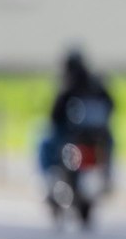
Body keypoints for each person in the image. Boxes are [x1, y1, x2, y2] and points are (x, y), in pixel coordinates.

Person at [43, 49, 115, 191]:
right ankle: (107, 175)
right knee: (110, 144)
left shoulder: (68, 85)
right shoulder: (97, 84)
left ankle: (49, 178)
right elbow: (111, 105)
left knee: (45, 143)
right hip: (99, 135)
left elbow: (54, 114)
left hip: (73, 135)